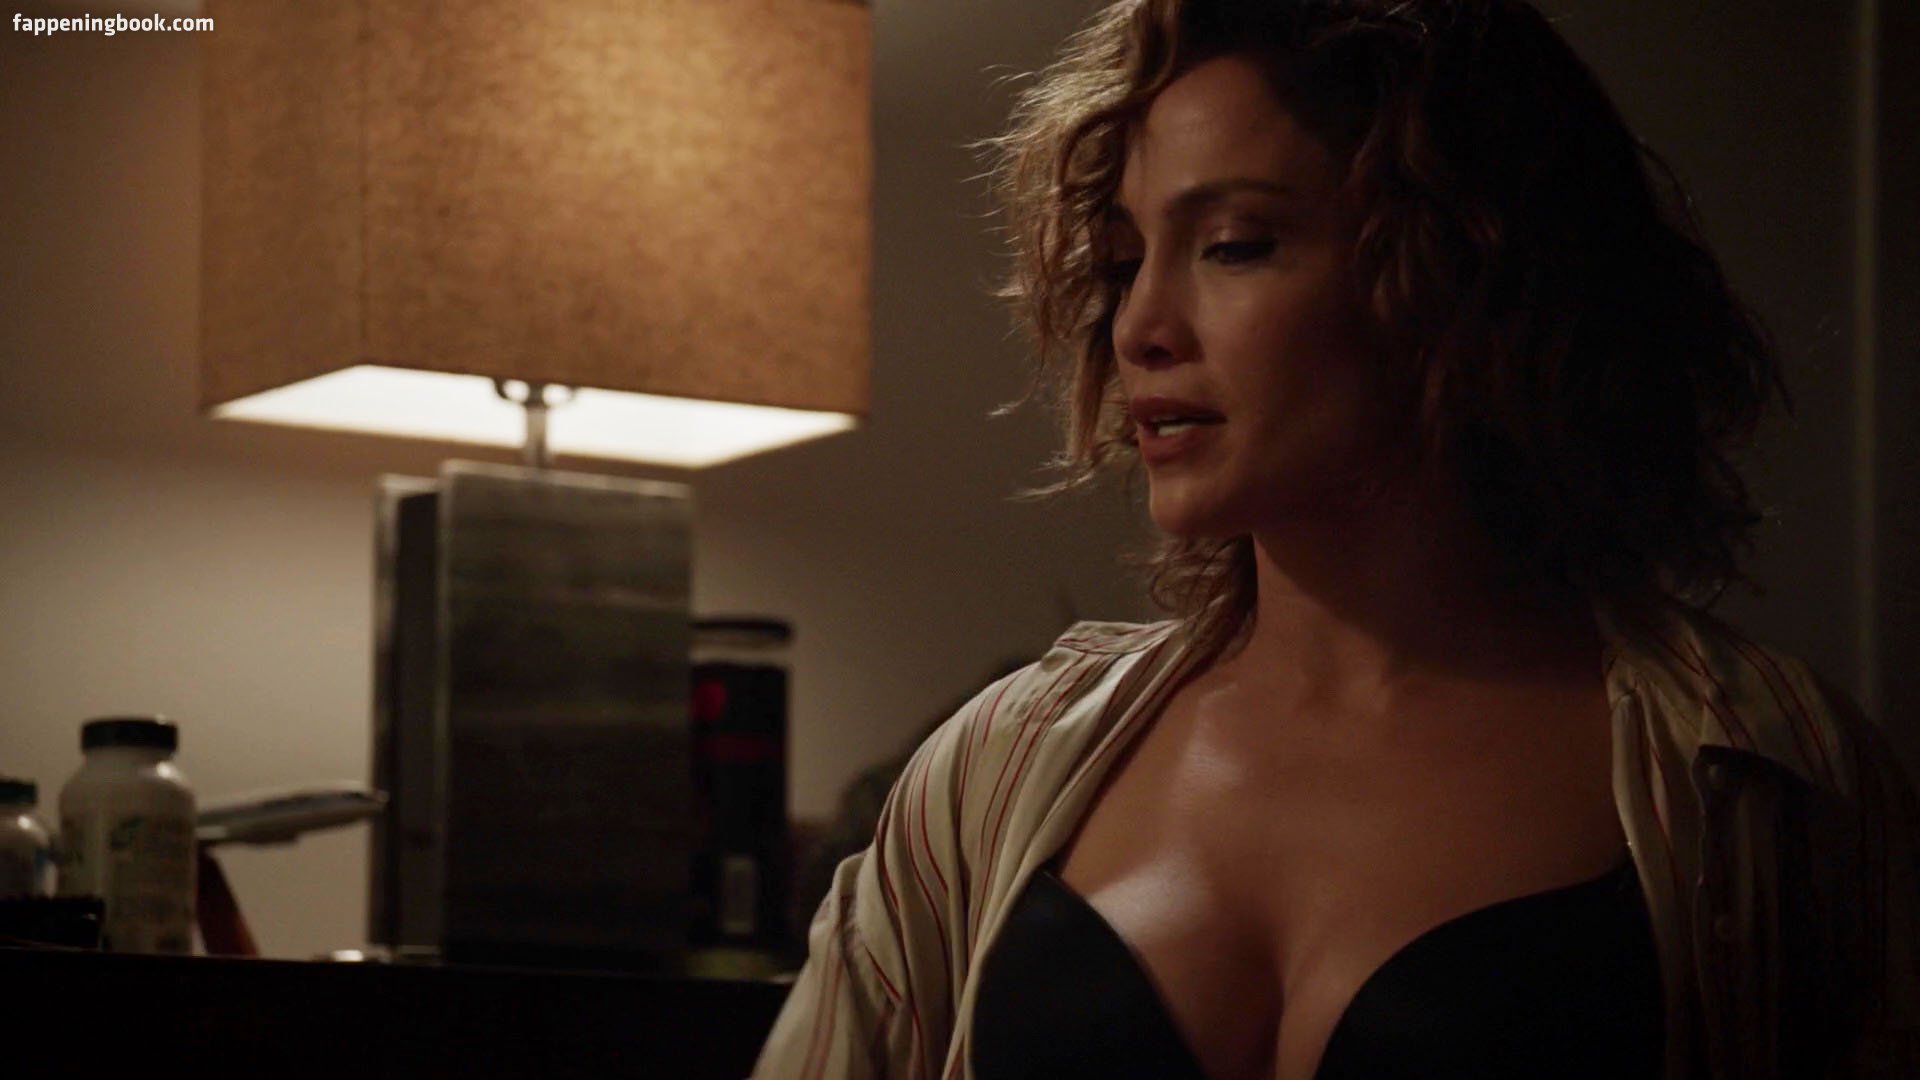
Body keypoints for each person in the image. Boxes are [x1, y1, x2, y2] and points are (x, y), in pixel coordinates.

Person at [752, 1, 1920, 1077]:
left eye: (1235, 243)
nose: (1143, 325)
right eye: (1123, 260)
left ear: (1460, 268)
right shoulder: (996, 767)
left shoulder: (1756, 774)